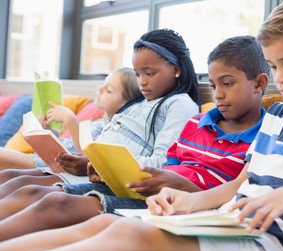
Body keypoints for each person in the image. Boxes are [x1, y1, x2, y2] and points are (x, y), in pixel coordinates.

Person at [0, 0, 283, 251]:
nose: (282, 78)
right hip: (230, 222)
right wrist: (188, 202)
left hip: (275, 247)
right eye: (275, 66)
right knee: (103, 223)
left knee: (129, 235)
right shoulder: (279, 113)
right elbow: (239, 185)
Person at [0, 35, 269, 242]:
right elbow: (169, 165)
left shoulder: (266, 132)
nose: (218, 94)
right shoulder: (197, 123)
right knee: (31, 188)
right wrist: (106, 167)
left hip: (175, 204)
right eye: (213, 85)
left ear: (259, 83)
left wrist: (175, 184)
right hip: (146, 191)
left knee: (56, 202)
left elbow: (231, 190)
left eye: (227, 83)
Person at [0, 28, 200, 200]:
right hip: (93, 171)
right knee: (12, 177)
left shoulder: (180, 104)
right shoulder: (139, 104)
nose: (142, 82)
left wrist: (97, 164)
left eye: (149, 73)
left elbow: (163, 163)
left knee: (25, 188)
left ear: (176, 69)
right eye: (138, 74)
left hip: (112, 182)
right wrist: (87, 160)